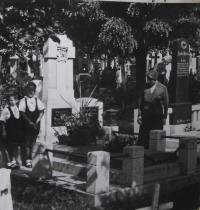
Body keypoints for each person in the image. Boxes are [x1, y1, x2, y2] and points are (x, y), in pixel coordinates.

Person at [137, 70, 169, 149]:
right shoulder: (145, 87)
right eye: (148, 79)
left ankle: (155, 155)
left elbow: (166, 104)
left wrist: (164, 117)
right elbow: (140, 103)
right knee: (143, 138)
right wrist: (139, 115)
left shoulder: (162, 88)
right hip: (146, 117)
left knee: (155, 139)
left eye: (150, 79)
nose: (149, 81)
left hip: (157, 117)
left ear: (155, 79)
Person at [19, 82, 45, 168]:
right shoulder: (24, 100)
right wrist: (29, 122)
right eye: (29, 90)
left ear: (35, 91)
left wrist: (37, 121)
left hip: (35, 125)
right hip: (26, 125)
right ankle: (28, 160)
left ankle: (32, 157)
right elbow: (22, 113)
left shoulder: (37, 100)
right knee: (27, 142)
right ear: (27, 90)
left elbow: (42, 111)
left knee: (33, 141)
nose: (31, 92)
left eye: (33, 90)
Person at [0, 93, 22, 169]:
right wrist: (3, 131)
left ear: (16, 100)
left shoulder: (19, 109)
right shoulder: (6, 109)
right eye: (10, 100)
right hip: (9, 132)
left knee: (16, 147)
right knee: (9, 147)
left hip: (17, 132)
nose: (11, 102)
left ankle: (15, 161)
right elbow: (2, 121)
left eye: (12, 100)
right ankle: (10, 162)